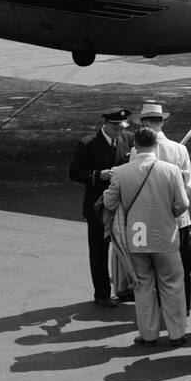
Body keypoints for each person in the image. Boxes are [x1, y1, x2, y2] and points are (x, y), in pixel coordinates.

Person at [102, 127, 191, 347]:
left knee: (142, 286)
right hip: (165, 237)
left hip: (136, 237)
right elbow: (182, 206)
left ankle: (148, 334)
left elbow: (109, 203)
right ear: (155, 144)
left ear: (135, 145)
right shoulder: (171, 171)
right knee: (172, 284)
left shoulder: (121, 172)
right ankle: (177, 333)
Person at [68, 107, 132, 307]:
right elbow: (75, 172)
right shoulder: (88, 144)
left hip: (122, 205)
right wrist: (98, 175)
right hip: (98, 206)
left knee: (128, 248)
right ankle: (102, 293)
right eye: (116, 128)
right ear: (106, 125)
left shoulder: (128, 139)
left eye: (122, 127)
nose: (120, 131)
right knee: (98, 251)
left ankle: (126, 287)